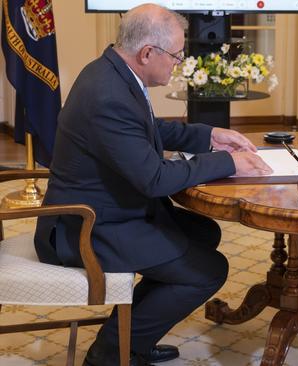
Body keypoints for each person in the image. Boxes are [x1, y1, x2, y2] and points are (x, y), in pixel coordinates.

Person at [33, 4, 271, 366]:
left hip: (111, 210)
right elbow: (154, 178)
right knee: (208, 270)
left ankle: (132, 337)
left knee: (203, 234)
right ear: (147, 53)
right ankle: (110, 355)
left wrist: (210, 136)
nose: (179, 63)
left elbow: (149, 130)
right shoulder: (109, 94)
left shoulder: (113, 73)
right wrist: (227, 162)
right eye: (176, 55)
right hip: (85, 227)